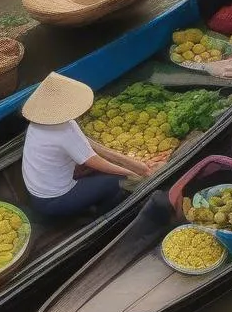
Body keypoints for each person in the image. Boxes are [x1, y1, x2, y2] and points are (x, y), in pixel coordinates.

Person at [21, 73, 149, 218]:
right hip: (53, 202)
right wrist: (130, 173)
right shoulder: (64, 131)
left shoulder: (37, 122)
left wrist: (132, 163)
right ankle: (102, 218)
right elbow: (96, 162)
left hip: (35, 193)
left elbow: (86, 143)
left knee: (94, 170)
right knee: (112, 182)